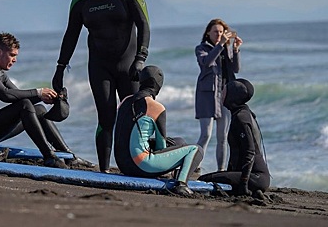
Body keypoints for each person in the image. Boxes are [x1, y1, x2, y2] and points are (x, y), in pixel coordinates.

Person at [52, 0, 150, 172]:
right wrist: (60, 68)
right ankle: (104, 169)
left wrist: (140, 59)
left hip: (128, 65)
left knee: (136, 117)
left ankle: (140, 166)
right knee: (106, 118)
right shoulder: (80, 0)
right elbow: (71, 35)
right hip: (100, 66)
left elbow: (144, 25)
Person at [0, 32, 88, 169]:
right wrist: (38, 93)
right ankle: (49, 156)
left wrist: (46, 97)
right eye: (12, 55)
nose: (15, 60)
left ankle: (68, 154)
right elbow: (6, 95)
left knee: (39, 109)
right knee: (25, 105)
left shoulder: (0, 74)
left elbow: (17, 96)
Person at [114, 65, 203, 196]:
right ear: (158, 85)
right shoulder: (156, 107)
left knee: (179, 142)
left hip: (122, 164)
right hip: (140, 165)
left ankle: (178, 174)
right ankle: (181, 184)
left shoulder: (125, 101)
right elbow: (161, 146)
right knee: (196, 150)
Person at [199, 79, 270, 197]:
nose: (221, 94)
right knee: (215, 178)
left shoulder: (241, 118)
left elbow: (250, 151)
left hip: (255, 177)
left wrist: (243, 184)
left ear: (233, 95)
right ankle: (254, 191)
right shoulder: (241, 113)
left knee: (204, 180)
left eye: (224, 91)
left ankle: (253, 189)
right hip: (248, 176)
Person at [195, 18, 242, 172]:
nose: (218, 34)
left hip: (224, 96)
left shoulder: (225, 50)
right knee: (206, 135)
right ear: (208, 33)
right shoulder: (201, 48)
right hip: (207, 96)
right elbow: (207, 63)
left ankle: (221, 170)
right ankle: (195, 166)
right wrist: (221, 44)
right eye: (215, 32)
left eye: (221, 32)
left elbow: (235, 69)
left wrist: (235, 49)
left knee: (223, 137)